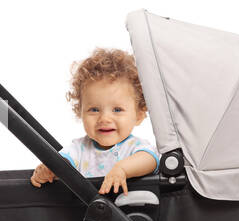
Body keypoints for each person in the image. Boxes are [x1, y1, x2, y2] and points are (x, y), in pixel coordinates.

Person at [30, 48, 159, 194]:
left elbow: (150, 159)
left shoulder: (135, 147)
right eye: (94, 110)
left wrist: (122, 169)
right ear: (80, 112)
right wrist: (50, 168)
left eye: (117, 110)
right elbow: (62, 163)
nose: (104, 119)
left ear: (139, 115)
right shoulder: (79, 148)